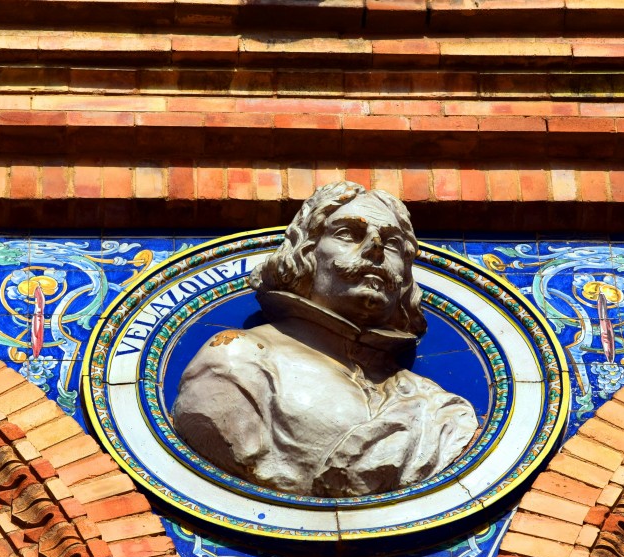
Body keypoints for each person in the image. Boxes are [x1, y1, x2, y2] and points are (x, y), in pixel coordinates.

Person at [173, 181, 478, 497]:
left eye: (390, 243)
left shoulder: (429, 398)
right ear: (306, 253)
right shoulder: (239, 360)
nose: (375, 249)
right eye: (348, 234)